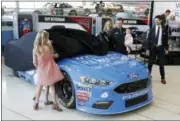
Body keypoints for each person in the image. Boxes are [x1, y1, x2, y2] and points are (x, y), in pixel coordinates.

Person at [33, 30, 64, 111]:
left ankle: (36, 103)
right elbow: (51, 56)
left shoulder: (36, 49)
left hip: (41, 69)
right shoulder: (48, 47)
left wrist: (38, 67)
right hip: (50, 68)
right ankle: (55, 104)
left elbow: (34, 62)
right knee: (51, 86)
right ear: (46, 38)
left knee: (39, 86)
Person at [147, 15, 169, 84]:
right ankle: (148, 77)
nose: (156, 21)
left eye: (157, 20)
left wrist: (167, 49)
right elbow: (148, 40)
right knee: (150, 63)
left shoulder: (164, 29)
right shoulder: (152, 29)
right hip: (153, 48)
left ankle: (163, 78)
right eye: (155, 20)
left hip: (161, 48)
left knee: (161, 64)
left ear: (160, 20)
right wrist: (148, 49)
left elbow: (166, 40)